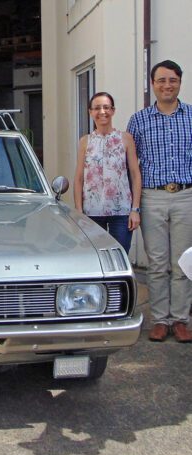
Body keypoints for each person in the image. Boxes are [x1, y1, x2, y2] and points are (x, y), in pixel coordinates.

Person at [127, 60, 192, 343]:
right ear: (153, 84)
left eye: (173, 80)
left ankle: (180, 319)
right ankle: (159, 320)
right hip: (152, 197)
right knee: (157, 263)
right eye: (162, 80)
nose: (168, 85)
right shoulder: (138, 120)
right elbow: (131, 167)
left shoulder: (191, 116)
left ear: (180, 82)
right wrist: (135, 205)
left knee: (183, 264)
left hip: (186, 195)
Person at [74, 92, 142, 253]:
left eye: (106, 107)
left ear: (113, 111)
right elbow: (78, 178)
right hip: (92, 212)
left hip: (122, 211)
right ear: (90, 112)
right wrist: (78, 210)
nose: (102, 112)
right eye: (97, 108)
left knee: (119, 256)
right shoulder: (85, 141)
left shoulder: (125, 139)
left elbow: (135, 174)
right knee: (96, 258)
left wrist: (135, 209)